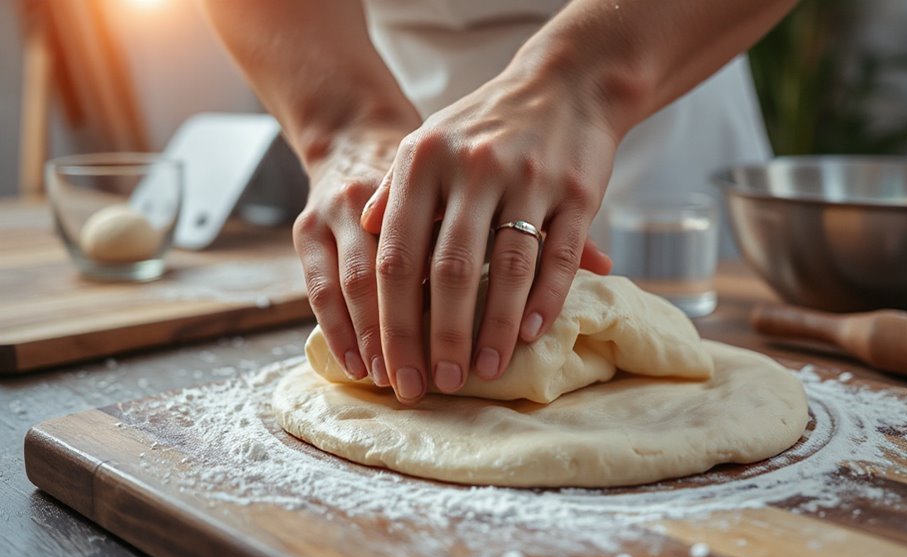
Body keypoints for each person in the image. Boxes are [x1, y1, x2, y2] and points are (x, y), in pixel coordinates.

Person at [203, 0, 795, 405]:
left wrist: (584, 79)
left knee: (689, 350)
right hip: (406, 111)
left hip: (663, 69)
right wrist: (348, 126)